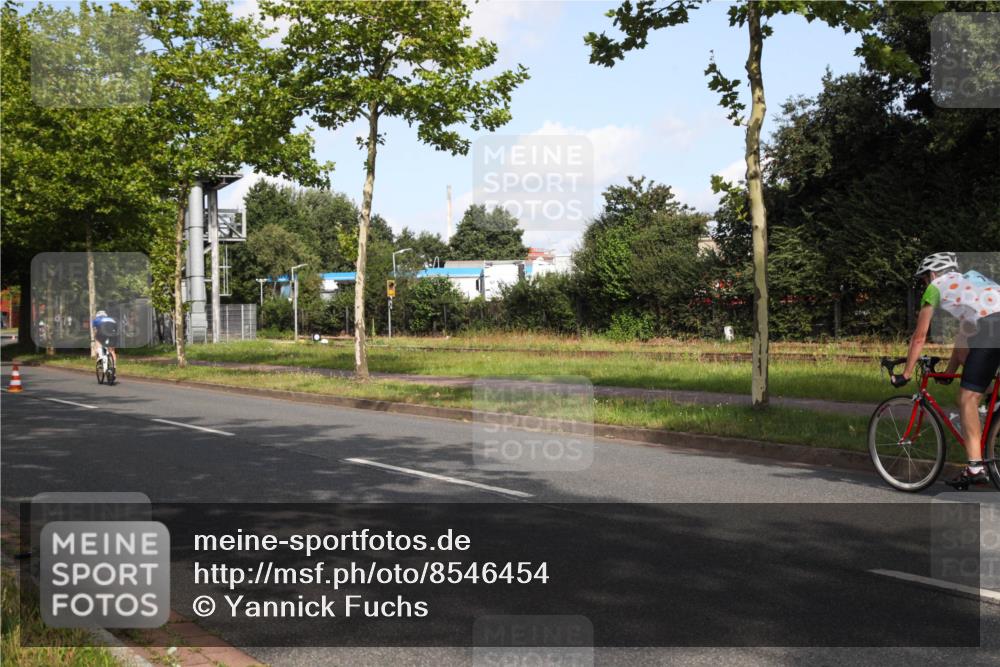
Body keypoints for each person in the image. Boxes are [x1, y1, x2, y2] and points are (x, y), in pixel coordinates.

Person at [891, 252, 1000, 486]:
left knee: (968, 398)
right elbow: (964, 337)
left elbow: (919, 337)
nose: (925, 284)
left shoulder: (935, 287)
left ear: (932, 275)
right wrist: (949, 372)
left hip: (993, 329)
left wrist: (906, 374)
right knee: (976, 388)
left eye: (924, 279)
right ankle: (994, 407)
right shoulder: (971, 282)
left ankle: (974, 468)